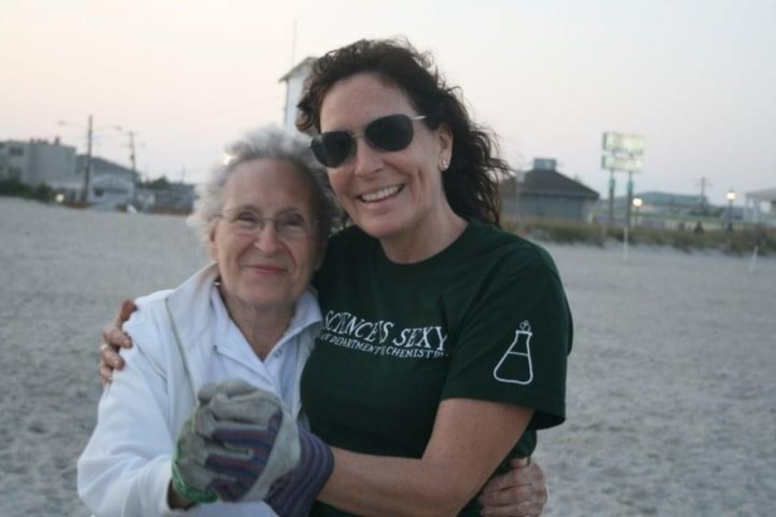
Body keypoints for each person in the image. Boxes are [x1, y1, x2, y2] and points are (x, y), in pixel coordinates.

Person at [100, 38, 570, 516]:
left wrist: (299, 461)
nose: (365, 165)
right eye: (338, 146)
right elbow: (251, 273)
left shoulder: (511, 277)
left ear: (442, 143)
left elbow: (444, 487)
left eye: (389, 133)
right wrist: (144, 333)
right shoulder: (339, 262)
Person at [78, 127, 339, 516]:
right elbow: (107, 485)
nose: (267, 243)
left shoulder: (347, 333)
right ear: (213, 236)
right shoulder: (152, 330)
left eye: (292, 222)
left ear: (319, 246)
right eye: (246, 218)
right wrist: (178, 484)